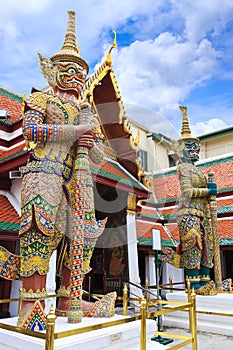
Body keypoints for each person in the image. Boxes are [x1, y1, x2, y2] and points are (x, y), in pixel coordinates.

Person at [17, 11, 116, 329]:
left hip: (78, 181)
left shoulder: (86, 111)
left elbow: (99, 156)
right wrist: (74, 133)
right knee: (39, 233)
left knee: (81, 240)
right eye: (69, 70)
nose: (76, 77)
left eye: (81, 73)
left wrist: (91, 142)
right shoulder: (41, 100)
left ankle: (68, 300)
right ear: (52, 71)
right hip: (45, 174)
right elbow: (31, 132)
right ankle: (30, 306)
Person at [161, 106, 217, 295]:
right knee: (193, 245)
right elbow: (187, 191)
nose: (195, 151)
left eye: (196, 148)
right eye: (191, 148)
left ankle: (205, 281)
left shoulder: (199, 171)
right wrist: (207, 191)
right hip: (188, 213)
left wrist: (210, 198)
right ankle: (194, 285)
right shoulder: (183, 168)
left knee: (206, 249)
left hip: (203, 214)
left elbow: (205, 195)